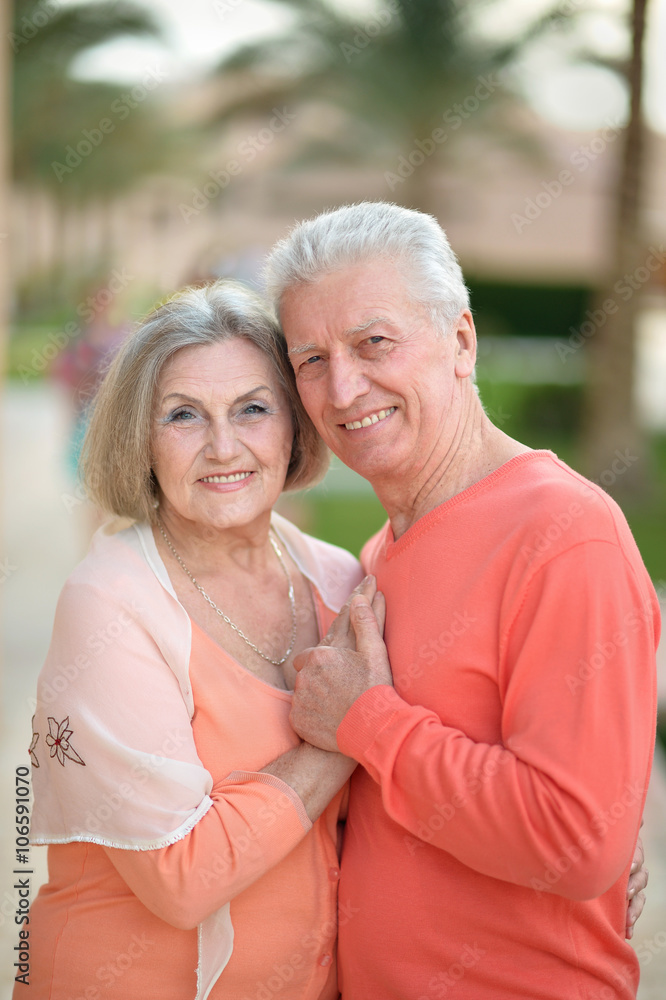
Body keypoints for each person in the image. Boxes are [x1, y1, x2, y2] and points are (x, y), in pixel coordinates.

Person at [264, 201, 660, 1000]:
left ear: (461, 342)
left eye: (375, 342)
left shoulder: (564, 533)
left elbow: (578, 844)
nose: (343, 386)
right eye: (311, 359)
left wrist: (367, 722)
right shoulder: (378, 554)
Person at [25, 280, 381, 999]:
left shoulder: (341, 581)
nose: (225, 447)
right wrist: (342, 735)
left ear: (294, 426)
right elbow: (181, 879)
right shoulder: (111, 602)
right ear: (140, 439)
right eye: (184, 415)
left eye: (253, 408)